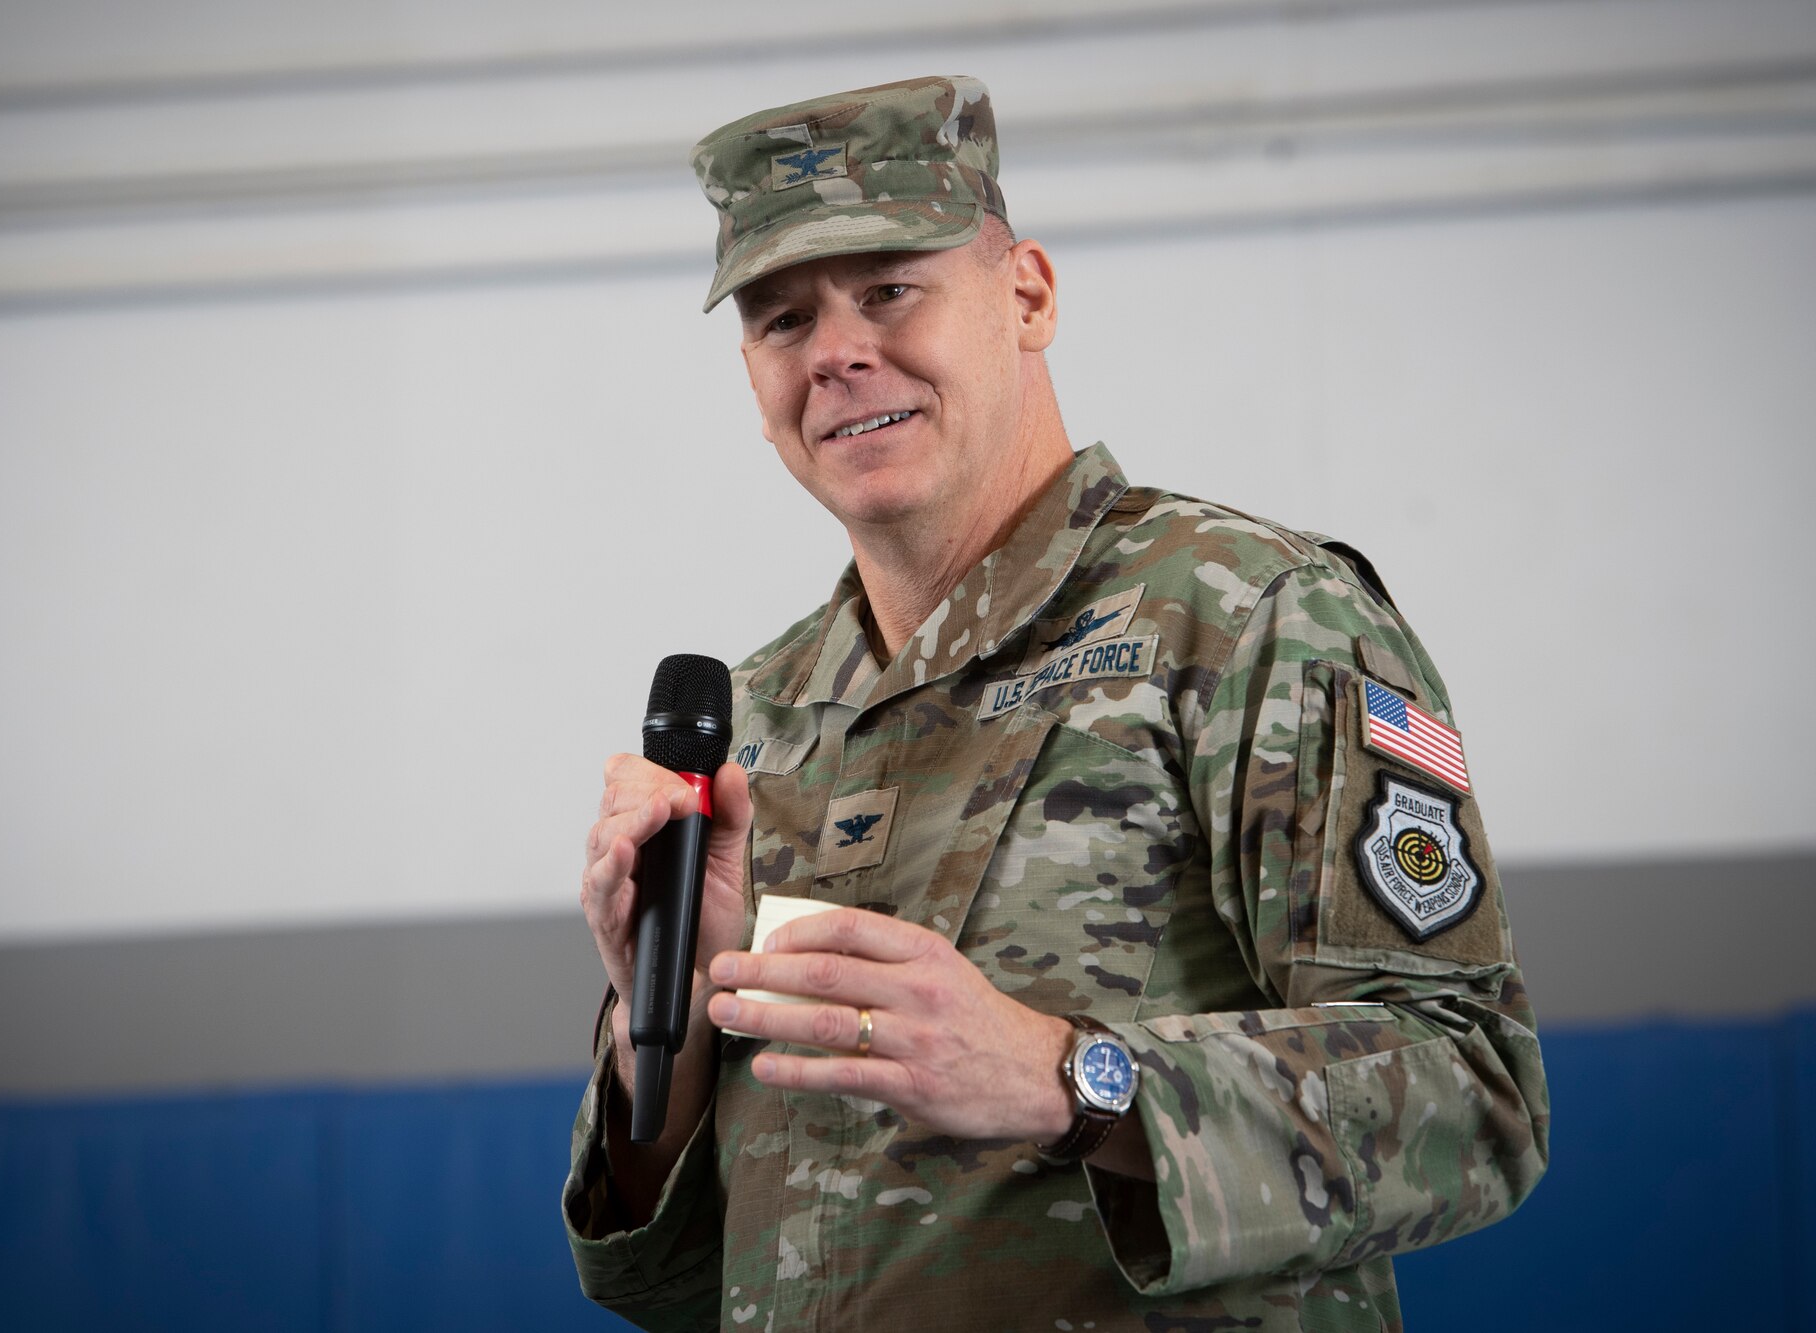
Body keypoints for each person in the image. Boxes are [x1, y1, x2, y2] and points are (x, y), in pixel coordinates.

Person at [564, 75, 1548, 1331]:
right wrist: (673, 1032)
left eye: (886, 291)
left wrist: (1062, 1075)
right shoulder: (760, 717)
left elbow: (1474, 1099)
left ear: (1024, 295)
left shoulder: (1246, 613)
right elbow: (656, 1279)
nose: (834, 353)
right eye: (779, 320)